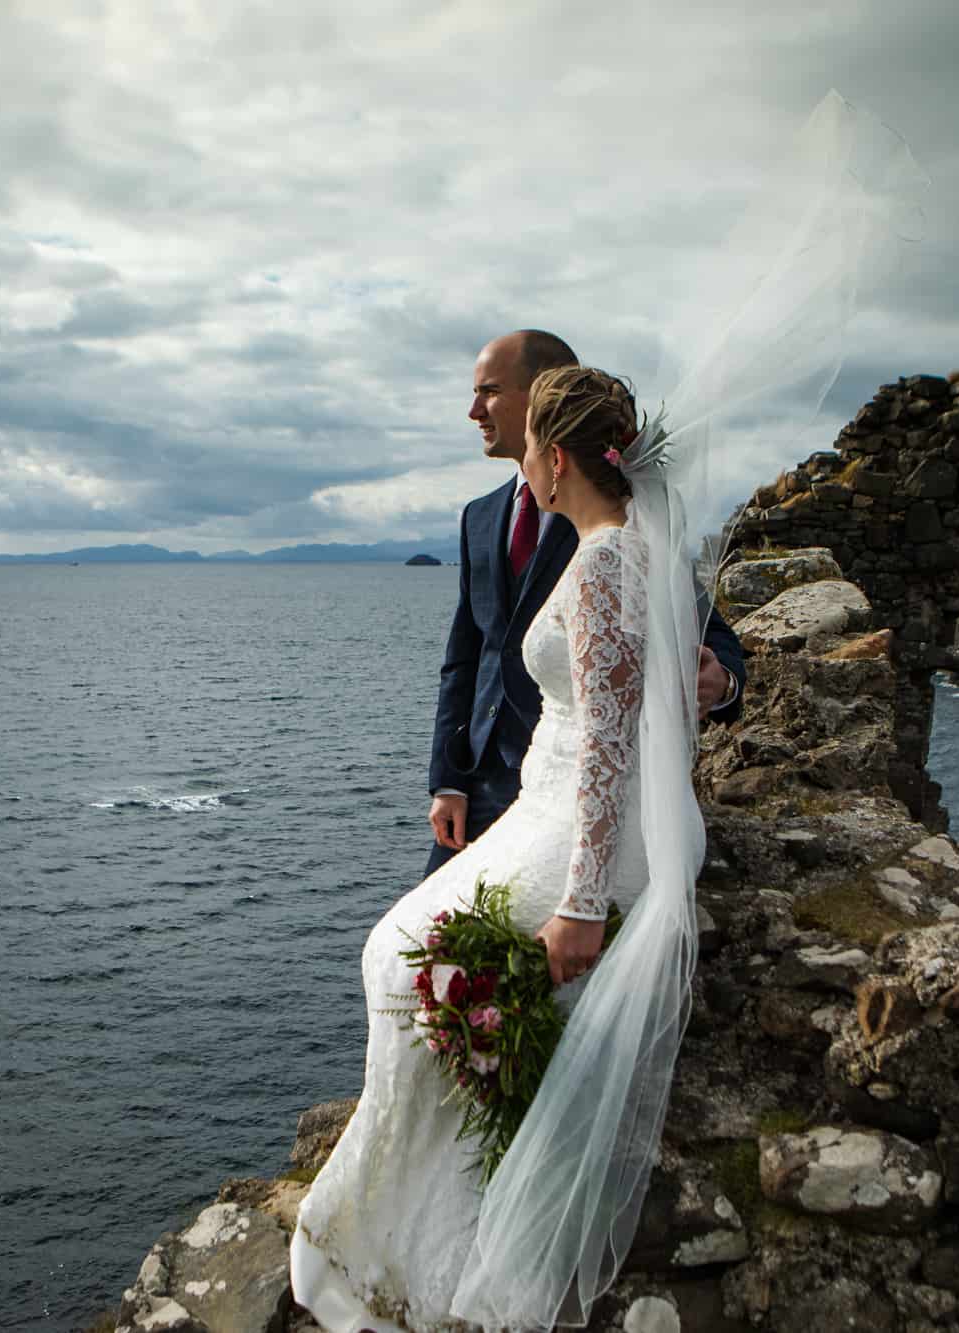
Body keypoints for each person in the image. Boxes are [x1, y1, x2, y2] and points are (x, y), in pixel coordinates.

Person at [291, 365, 704, 1331]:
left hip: (583, 827)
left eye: (527, 449)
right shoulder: (626, 546)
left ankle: (426, 1238)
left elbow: (608, 737)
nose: (521, 463)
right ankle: (413, 1209)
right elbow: (657, 688)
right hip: (543, 804)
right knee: (401, 952)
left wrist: (582, 901)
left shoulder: (604, 561)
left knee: (400, 959)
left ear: (556, 460)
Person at [425, 330, 747, 876]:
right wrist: (448, 779)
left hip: (572, 798)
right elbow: (467, 656)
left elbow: (703, 627)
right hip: (478, 788)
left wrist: (724, 683)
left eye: (489, 391)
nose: (474, 409)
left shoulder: (625, 514)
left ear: (542, 391)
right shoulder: (478, 517)